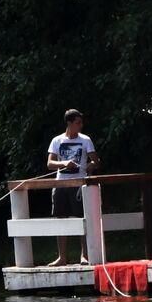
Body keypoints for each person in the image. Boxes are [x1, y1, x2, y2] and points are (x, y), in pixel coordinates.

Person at [45, 109, 99, 266]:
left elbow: (96, 161)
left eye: (81, 122)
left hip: (79, 184)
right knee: (60, 219)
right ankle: (62, 257)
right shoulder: (57, 141)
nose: (81, 125)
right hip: (61, 183)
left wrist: (89, 167)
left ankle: (85, 255)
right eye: (78, 122)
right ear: (69, 123)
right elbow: (50, 164)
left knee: (82, 218)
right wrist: (64, 163)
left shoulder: (86, 140)